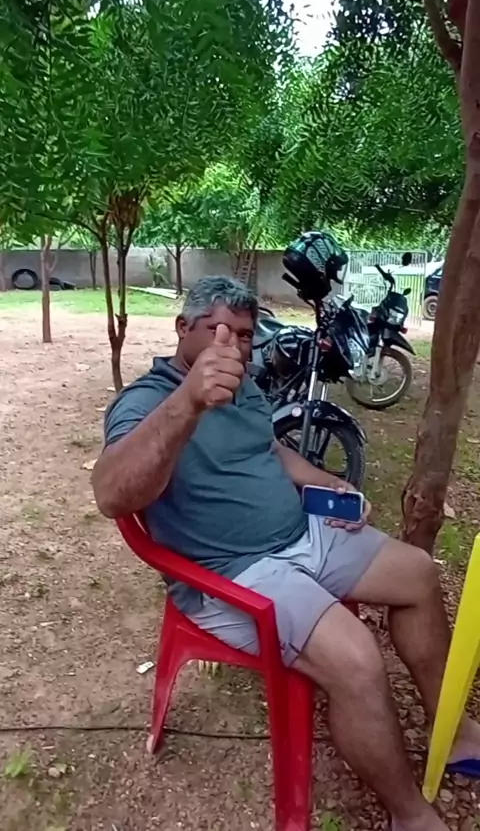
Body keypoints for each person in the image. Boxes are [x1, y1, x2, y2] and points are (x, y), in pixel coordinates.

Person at [92, 275, 480, 831]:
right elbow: (112, 494)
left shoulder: (246, 387)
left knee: (417, 573)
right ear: (182, 328)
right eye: (216, 329)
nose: (232, 345)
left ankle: (455, 730)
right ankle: (410, 815)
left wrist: (328, 482)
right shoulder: (145, 401)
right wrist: (189, 401)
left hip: (302, 535)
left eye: (244, 334)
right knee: (356, 660)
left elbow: (271, 450)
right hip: (234, 573)